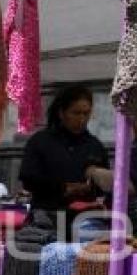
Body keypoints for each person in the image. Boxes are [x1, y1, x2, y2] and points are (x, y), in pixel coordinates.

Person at [19, 86, 108, 225]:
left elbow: (105, 187)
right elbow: (28, 179)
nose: (82, 119)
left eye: (86, 113)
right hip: (46, 217)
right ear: (62, 113)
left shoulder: (95, 146)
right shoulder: (40, 141)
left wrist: (90, 187)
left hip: (85, 220)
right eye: (76, 113)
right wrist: (64, 188)